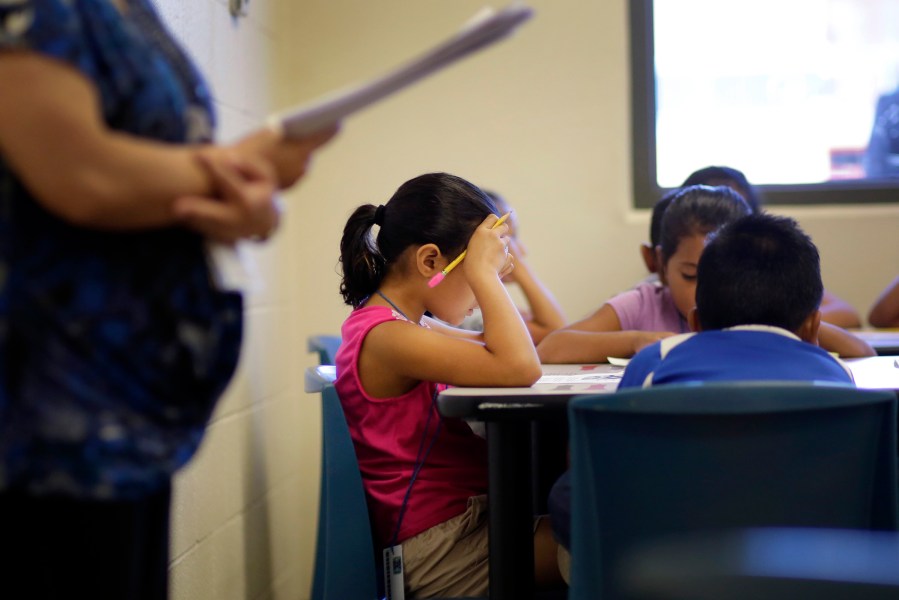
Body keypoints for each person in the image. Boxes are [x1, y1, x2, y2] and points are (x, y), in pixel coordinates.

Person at [0, 0, 337, 597]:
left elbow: (158, 179)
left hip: (131, 421)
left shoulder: (132, 13)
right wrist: (245, 166)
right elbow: (82, 174)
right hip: (47, 424)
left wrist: (250, 207)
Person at [548, 213, 856, 581]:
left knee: (572, 489)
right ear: (813, 324)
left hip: (669, 557)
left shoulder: (655, 360)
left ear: (695, 322)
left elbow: (604, 467)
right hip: (802, 560)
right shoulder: (836, 376)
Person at [334, 172, 560, 597]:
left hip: (460, 528)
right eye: (471, 276)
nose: (477, 293)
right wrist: (486, 273)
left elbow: (504, 346)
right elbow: (520, 366)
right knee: (607, 544)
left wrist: (481, 267)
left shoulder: (403, 325)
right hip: (440, 551)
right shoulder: (388, 336)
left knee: (592, 524)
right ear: (431, 261)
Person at [537, 185, 752, 364]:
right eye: (690, 275)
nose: (706, 292)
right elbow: (550, 348)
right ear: (661, 264)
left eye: (724, 276)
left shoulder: (759, 305)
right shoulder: (643, 305)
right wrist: (635, 341)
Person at [682, 165, 863, 328]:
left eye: (736, 219)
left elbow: (846, 313)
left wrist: (786, 324)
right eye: (690, 275)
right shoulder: (656, 296)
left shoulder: (767, 274)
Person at [458, 189, 567, 344]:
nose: (522, 251)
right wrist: (522, 269)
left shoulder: (475, 303)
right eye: (511, 238)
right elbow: (556, 334)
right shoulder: (464, 308)